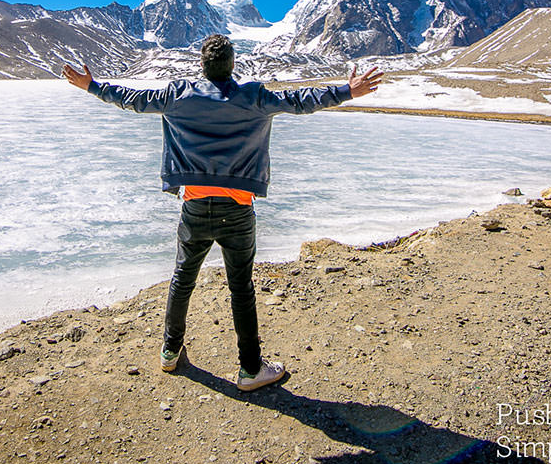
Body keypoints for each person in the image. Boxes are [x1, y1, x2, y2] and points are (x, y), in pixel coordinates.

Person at [62, 34, 382, 391]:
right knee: (240, 288)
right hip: (238, 209)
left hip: (194, 206)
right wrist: (346, 91)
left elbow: (132, 99)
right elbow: (299, 101)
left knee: (183, 278)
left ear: (203, 64)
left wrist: (92, 86)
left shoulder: (177, 95)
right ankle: (250, 370)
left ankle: (170, 352)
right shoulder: (254, 97)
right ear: (233, 64)